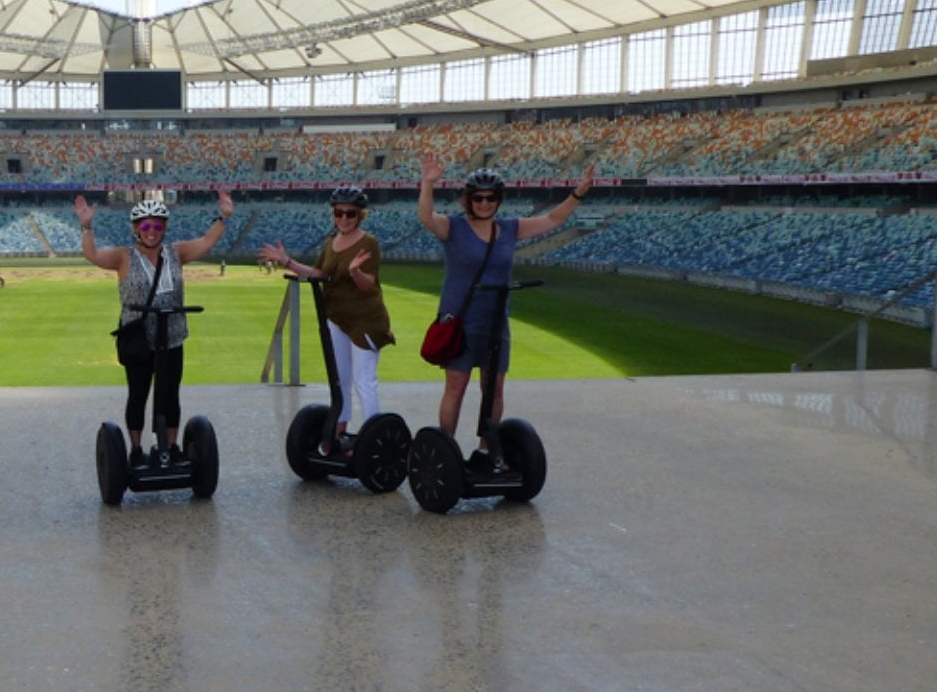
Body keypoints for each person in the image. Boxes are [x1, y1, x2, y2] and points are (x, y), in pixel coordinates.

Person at [417, 155, 593, 471]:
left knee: (494, 388)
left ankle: (486, 449)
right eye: (479, 197)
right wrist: (428, 182)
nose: (485, 203)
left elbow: (553, 220)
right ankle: (446, 450)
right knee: (456, 387)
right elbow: (426, 217)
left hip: (496, 320)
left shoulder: (510, 229)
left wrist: (578, 193)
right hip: (460, 320)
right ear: (469, 199)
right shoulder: (454, 228)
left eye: (491, 198)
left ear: (499, 200)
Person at [74, 189, 235, 466]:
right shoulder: (124, 256)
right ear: (137, 228)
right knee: (138, 393)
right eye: (146, 225)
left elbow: (206, 243)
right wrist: (87, 225)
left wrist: (224, 217)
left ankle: (171, 446)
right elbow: (92, 255)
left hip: (172, 336)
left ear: (164, 228)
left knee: (170, 393)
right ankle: (136, 449)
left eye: (158, 225)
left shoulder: (176, 253)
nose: (152, 231)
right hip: (139, 340)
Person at [259, 184, 394, 453]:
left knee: (364, 381)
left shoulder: (370, 244)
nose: (344, 218)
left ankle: (372, 441)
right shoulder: (331, 242)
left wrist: (355, 272)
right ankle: (339, 430)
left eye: (351, 214)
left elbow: (368, 284)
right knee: (340, 379)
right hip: (337, 318)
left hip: (366, 320)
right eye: (339, 213)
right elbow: (319, 273)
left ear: (360, 215)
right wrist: (287, 261)